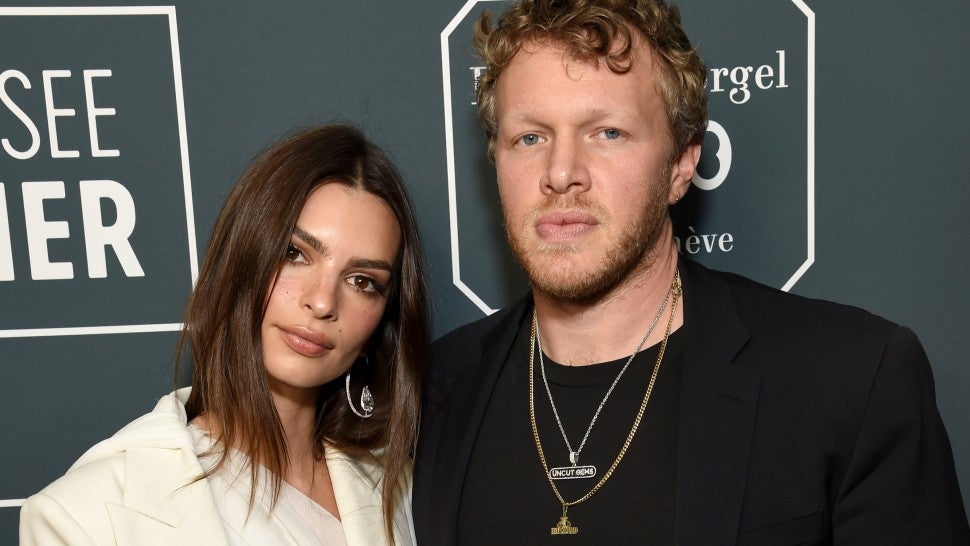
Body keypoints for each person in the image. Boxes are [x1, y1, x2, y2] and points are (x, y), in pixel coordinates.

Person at [412, 0, 970, 544]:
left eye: (607, 133)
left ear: (682, 164)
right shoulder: (434, 391)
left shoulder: (851, 378)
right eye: (530, 137)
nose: (561, 173)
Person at [20, 124, 428, 545]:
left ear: (381, 324)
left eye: (362, 281)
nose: (323, 302)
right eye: (294, 254)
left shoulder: (404, 487)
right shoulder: (84, 516)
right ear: (240, 261)